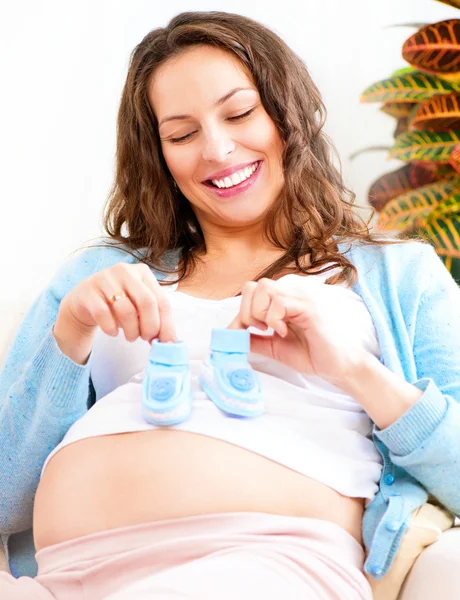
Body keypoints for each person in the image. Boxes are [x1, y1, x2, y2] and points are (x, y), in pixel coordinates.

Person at [1, 9, 460, 600]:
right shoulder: (95, 276)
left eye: (240, 113)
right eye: (182, 134)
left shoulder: (395, 273)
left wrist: (351, 369)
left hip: (266, 564)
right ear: (158, 155)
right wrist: (68, 337)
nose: (217, 149)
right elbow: (7, 495)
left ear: (287, 112)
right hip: (66, 576)